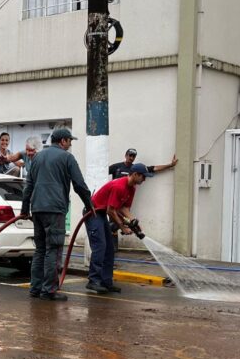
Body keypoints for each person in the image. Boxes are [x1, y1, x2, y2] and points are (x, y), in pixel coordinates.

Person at [20, 128, 93, 301]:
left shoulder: (37, 157)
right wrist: (90, 205)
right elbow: (79, 184)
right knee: (53, 249)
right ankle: (49, 290)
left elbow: (28, 185)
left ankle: (35, 288)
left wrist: (25, 209)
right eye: (69, 141)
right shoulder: (67, 157)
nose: (70, 144)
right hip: (55, 209)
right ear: (62, 141)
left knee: (40, 250)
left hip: (37, 209)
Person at [86, 163, 151, 294]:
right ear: (135, 175)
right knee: (100, 246)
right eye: (143, 177)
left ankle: (106, 282)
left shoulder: (132, 188)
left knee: (109, 249)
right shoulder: (119, 186)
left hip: (101, 213)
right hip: (93, 212)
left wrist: (133, 222)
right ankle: (93, 281)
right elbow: (111, 211)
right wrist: (123, 227)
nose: (145, 179)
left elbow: (124, 208)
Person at [108, 148, 178, 179]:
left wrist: (170, 165)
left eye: (133, 156)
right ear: (126, 155)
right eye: (130, 155)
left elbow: (154, 168)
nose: (131, 158)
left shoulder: (136, 168)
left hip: (127, 197)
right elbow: (102, 173)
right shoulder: (116, 166)